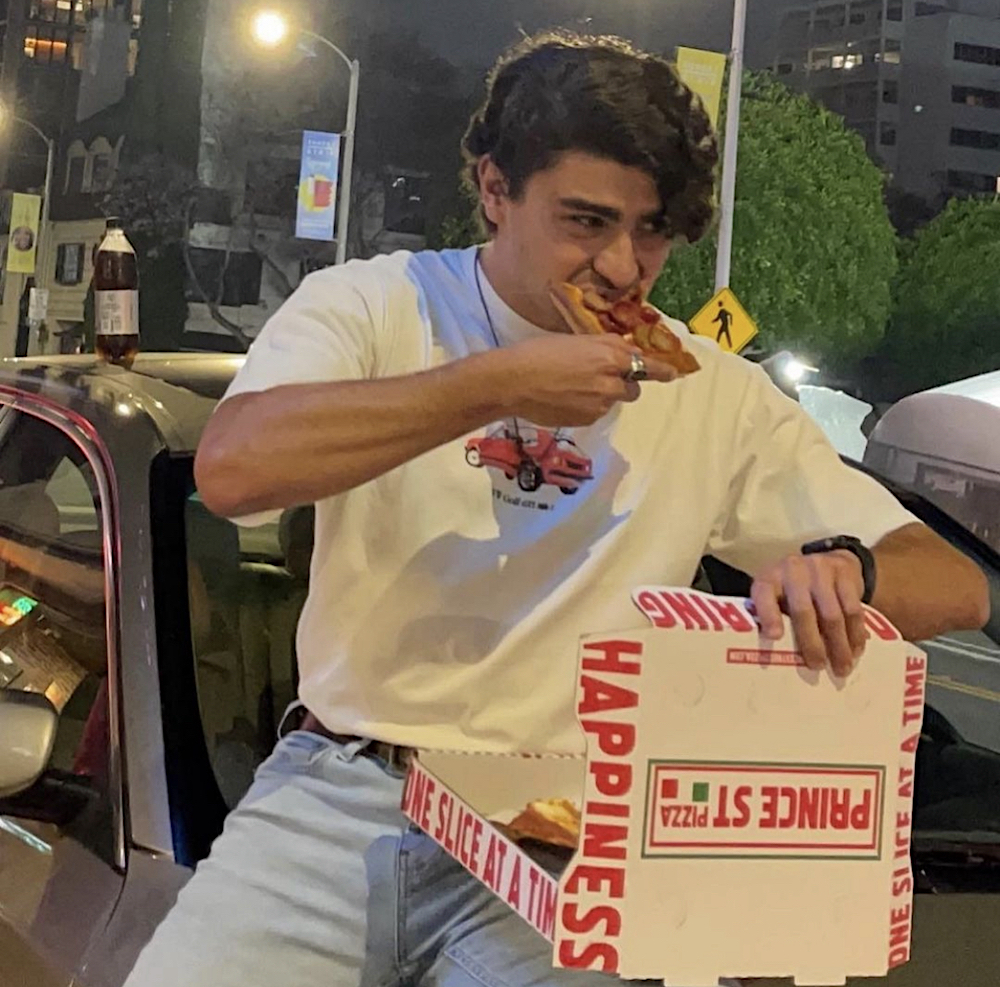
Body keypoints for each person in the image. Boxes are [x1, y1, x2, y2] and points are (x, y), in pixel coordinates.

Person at [125, 31, 989, 987]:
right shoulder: (373, 307)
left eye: (652, 230)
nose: (623, 267)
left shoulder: (709, 391)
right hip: (343, 785)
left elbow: (953, 584)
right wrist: (495, 384)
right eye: (586, 221)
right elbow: (236, 468)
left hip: (579, 823)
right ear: (496, 189)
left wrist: (848, 567)